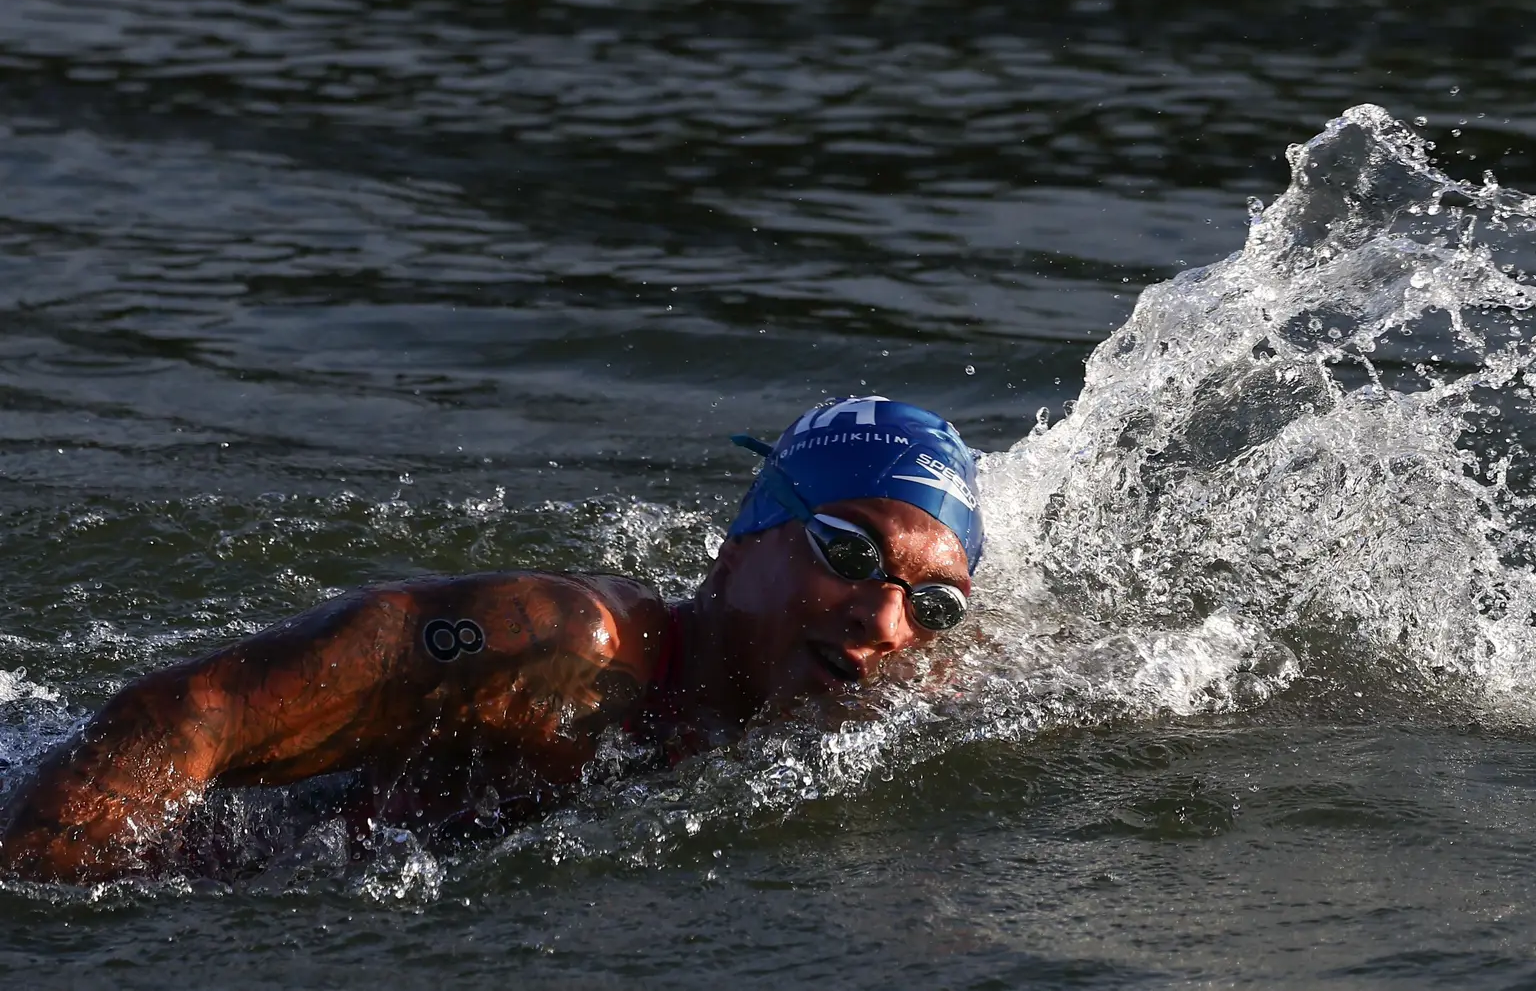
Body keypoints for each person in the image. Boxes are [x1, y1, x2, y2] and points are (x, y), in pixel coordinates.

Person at [0, 397, 982, 884]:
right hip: (181, 854)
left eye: (933, 602)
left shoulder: (893, 696)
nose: (884, 619)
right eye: (848, 551)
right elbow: (188, 716)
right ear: (738, 547)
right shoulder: (564, 649)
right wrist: (39, 902)